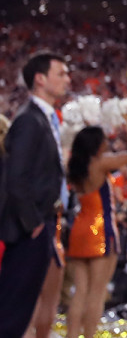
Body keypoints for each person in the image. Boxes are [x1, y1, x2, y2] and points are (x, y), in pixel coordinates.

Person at [0, 51, 71, 338]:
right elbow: (16, 178)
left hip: (41, 223)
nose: (68, 79)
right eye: (61, 73)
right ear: (40, 79)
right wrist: (34, 223)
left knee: (22, 306)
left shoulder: (43, 118)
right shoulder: (30, 120)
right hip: (29, 228)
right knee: (13, 310)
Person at [64, 121, 127, 338]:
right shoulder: (100, 163)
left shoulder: (77, 165)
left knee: (79, 292)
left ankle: (71, 335)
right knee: (97, 292)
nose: (107, 143)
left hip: (79, 228)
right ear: (97, 145)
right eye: (103, 140)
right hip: (101, 230)